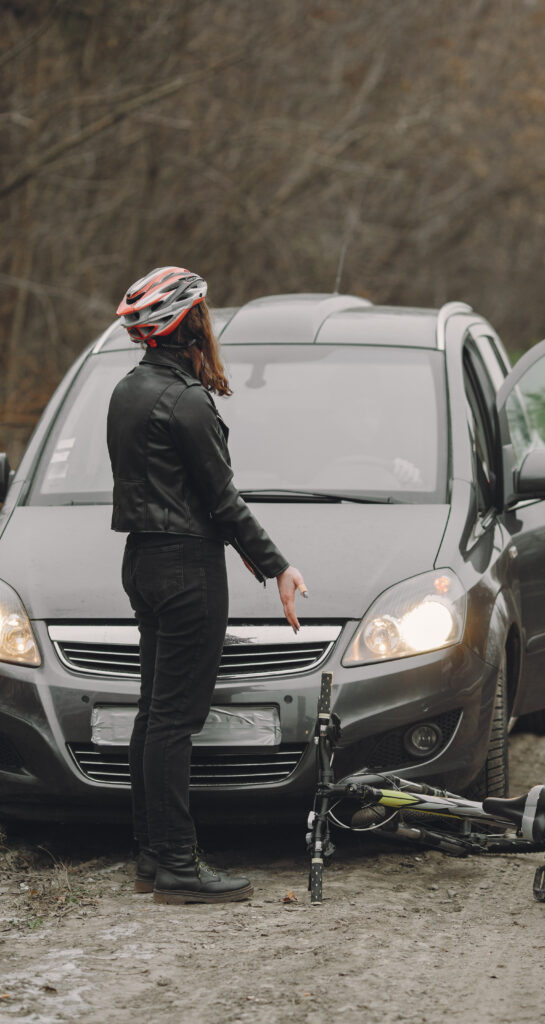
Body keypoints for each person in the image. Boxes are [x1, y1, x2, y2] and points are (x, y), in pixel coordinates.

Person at [106, 266, 307, 905]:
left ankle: (152, 855)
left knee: (153, 713)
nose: (209, 322)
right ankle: (177, 866)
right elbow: (222, 500)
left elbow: (174, 488)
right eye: (203, 313)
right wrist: (277, 566)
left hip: (142, 562)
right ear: (187, 322)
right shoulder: (186, 401)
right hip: (187, 569)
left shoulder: (127, 390)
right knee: (175, 720)